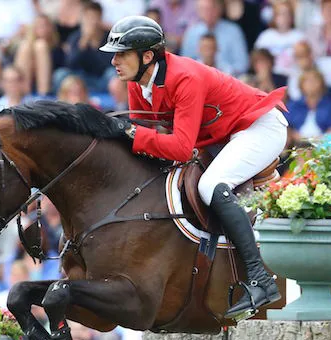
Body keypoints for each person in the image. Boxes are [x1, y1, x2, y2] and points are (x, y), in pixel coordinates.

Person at [100, 16, 287, 320]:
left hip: (258, 126)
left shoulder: (185, 77)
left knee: (210, 186)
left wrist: (130, 133)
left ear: (147, 56)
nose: (114, 62)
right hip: (220, 136)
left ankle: (260, 279)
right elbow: (145, 139)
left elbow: (179, 147)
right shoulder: (137, 83)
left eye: (122, 54)